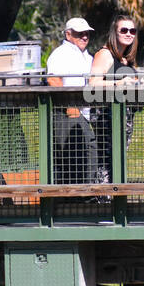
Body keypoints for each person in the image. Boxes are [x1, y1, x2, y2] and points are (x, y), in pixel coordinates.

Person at [89, 13, 141, 183]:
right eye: (124, 30)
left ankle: (116, 201)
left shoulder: (127, 59)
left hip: (125, 120)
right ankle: (104, 202)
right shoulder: (104, 54)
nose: (129, 34)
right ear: (114, 33)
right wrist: (119, 83)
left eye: (132, 31)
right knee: (106, 163)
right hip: (106, 119)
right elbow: (93, 83)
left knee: (118, 161)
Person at [46, 17, 98, 184]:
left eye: (87, 34)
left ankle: (81, 194)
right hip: (66, 113)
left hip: (83, 112)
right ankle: (74, 196)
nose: (84, 37)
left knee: (81, 151)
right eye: (79, 33)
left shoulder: (87, 56)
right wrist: (69, 106)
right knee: (76, 152)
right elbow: (53, 80)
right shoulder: (61, 53)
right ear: (68, 35)